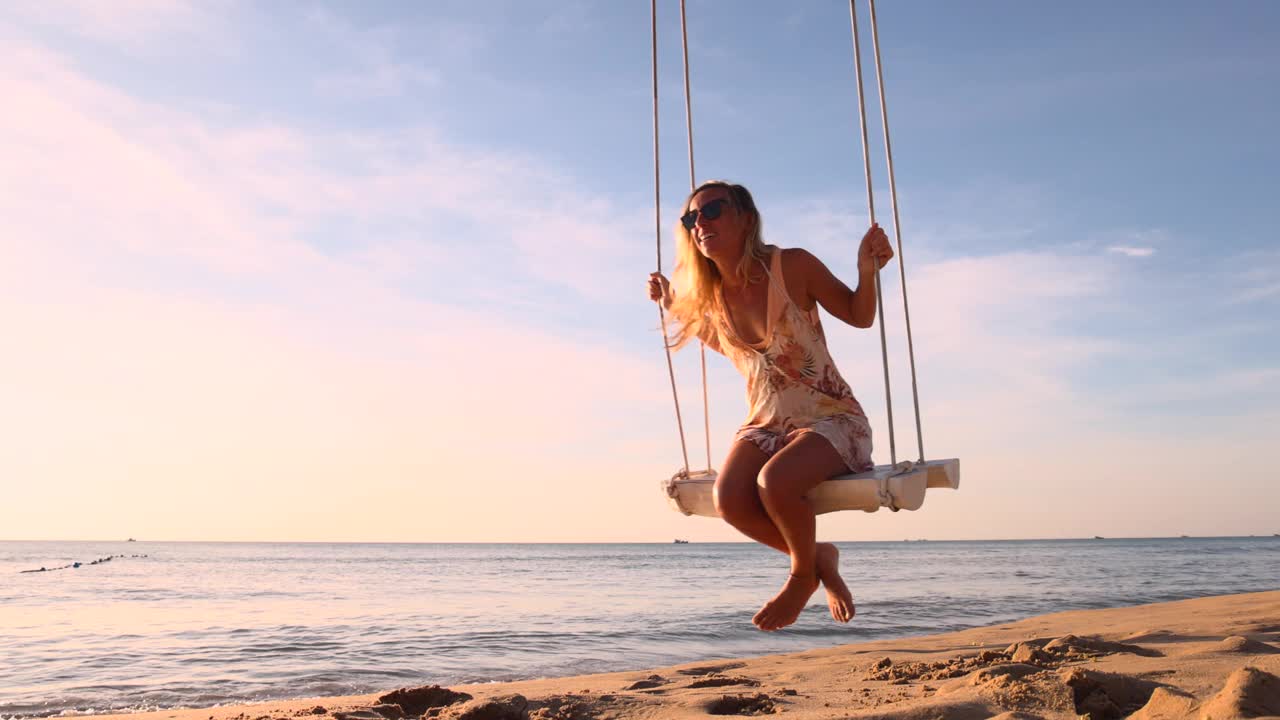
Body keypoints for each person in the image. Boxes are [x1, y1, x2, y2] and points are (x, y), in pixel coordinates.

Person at [647, 181, 893, 632]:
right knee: (729, 500)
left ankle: (803, 576)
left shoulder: (791, 266)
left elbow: (860, 315)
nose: (700, 223)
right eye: (691, 219)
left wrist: (867, 270)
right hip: (766, 422)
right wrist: (671, 304)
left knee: (774, 481)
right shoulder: (712, 295)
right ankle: (820, 557)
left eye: (712, 211)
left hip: (832, 417)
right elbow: (732, 348)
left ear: (745, 218)